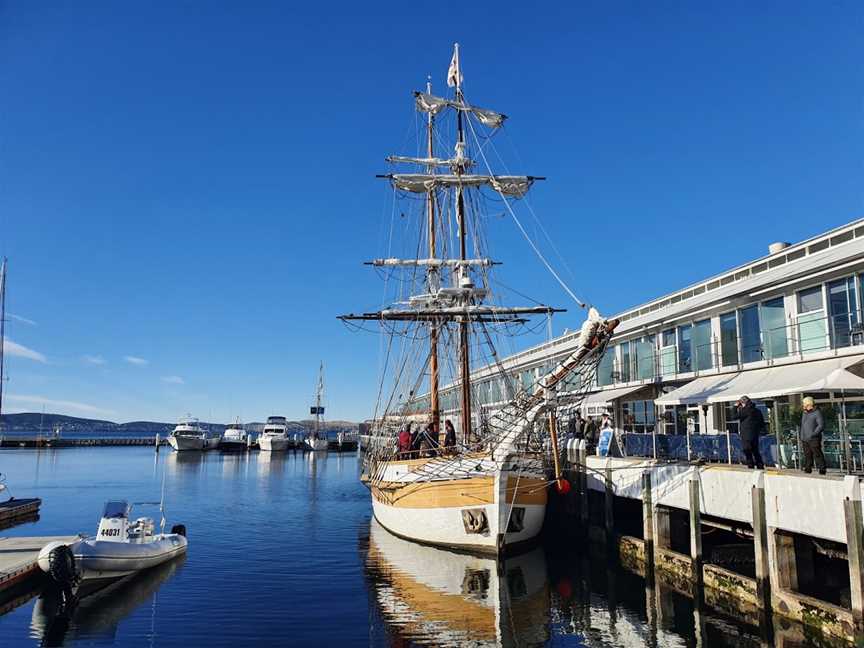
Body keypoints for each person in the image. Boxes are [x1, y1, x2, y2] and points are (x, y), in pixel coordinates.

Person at [734, 396, 765, 469]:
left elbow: (734, 416)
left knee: (747, 451)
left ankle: (751, 466)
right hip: (755, 434)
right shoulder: (757, 411)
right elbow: (761, 423)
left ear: (743, 403)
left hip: (746, 434)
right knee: (755, 451)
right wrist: (757, 431)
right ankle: (760, 465)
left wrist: (735, 407)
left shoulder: (745, 410)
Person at [800, 396, 826, 475]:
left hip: (814, 438)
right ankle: (808, 468)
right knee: (807, 454)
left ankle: (822, 468)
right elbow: (803, 425)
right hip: (805, 438)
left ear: (809, 404)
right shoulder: (804, 413)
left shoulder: (817, 412)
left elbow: (821, 425)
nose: (803, 406)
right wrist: (802, 435)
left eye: (804, 404)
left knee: (817, 453)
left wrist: (813, 434)